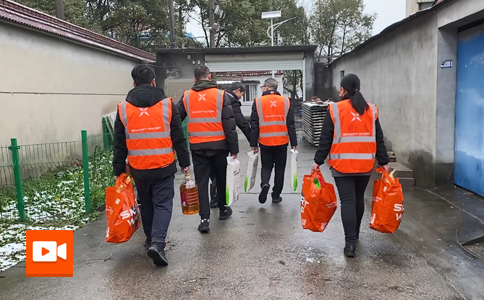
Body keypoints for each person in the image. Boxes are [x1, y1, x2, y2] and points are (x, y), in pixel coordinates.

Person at [113, 64, 190, 266]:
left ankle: (150, 240)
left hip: (139, 168)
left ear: (134, 83)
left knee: (146, 204)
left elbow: (119, 144)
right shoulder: (167, 105)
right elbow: (178, 137)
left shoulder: (123, 108)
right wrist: (185, 163)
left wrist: (118, 170)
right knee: (163, 205)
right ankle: (157, 243)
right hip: (164, 165)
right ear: (154, 81)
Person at [312, 74, 390, 258]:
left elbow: (325, 139)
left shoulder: (335, 109)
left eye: (340, 88)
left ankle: (350, 243)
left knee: (347, 201)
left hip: (342, 165)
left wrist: (317, 161)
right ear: (359, 89)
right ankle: (355, 236)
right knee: (358, 199)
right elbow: (379, 138)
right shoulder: (371, 109)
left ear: (343, 90)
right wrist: (384, 161)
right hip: (365, 165)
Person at [177, 66, 239, 233]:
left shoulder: (187, 96)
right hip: (219, 146)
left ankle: (204, 219)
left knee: (201, 183)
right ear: (209, 77)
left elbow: (176, 119)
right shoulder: (221, 95)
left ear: (194, 79)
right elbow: (229, 123)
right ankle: (223, 210)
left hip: (198, 147)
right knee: (220, 179)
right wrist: (234, 148)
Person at [250, 78, 297, 204]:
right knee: (280, 169)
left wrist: (253, 144)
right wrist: (294, 143)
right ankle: (276, 195)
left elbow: (254, 124)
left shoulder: (258, 101)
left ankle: (265, 184)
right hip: (282, 142)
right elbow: (291, 124)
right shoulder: (286, 101)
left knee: (266, 167)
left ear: (266, 87)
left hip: (265, 141)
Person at [209, 82, 251, 208]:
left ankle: (213, 198)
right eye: (242, 94)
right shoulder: (231, 100)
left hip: (203, 139)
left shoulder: (217, 95)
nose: (241, 98)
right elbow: (241, 122)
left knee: (211, 171)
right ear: (238, 90)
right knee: (220, 171)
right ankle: (217, 199)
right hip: (220, 140)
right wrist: (252, 140)